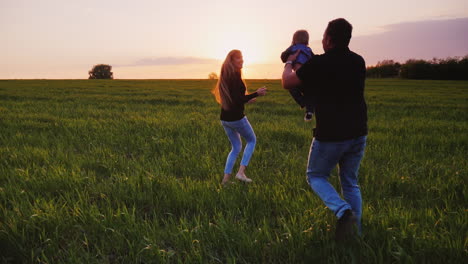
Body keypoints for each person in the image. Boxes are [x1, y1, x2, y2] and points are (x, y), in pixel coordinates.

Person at [282, 18, 368, 241]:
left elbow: (288, 82)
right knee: (350, 181)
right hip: (359, 132)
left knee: (316, 176)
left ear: (328, 39)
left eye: (324, 36)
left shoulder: (320, 63)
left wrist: (289, 62)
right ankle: (355, 233)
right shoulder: (358, 61)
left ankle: (342, 211)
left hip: (331, 133)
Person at [212, 49, 267, 185]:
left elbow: (235, 98)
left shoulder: (225, 75)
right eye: (239, 58)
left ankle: (225, 181)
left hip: (225, 119)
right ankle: (241, 173)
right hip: (236, 118)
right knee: (252, 140)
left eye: (242, 58)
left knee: (236, 147)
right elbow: (237, 99)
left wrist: (247, 99)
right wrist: (256, 94)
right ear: (232, 61)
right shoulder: (234, 76)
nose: (242, 60)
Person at [280, 30, 315, 121]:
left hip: (298, 75)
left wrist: (289, 58)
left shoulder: (293, 47)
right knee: (308, 92)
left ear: (294, 40)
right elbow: (314, 60)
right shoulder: (308, 49)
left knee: (291, 87)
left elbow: (283, 56)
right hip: (309, 76)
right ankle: (309, 111)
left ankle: (303, 102)